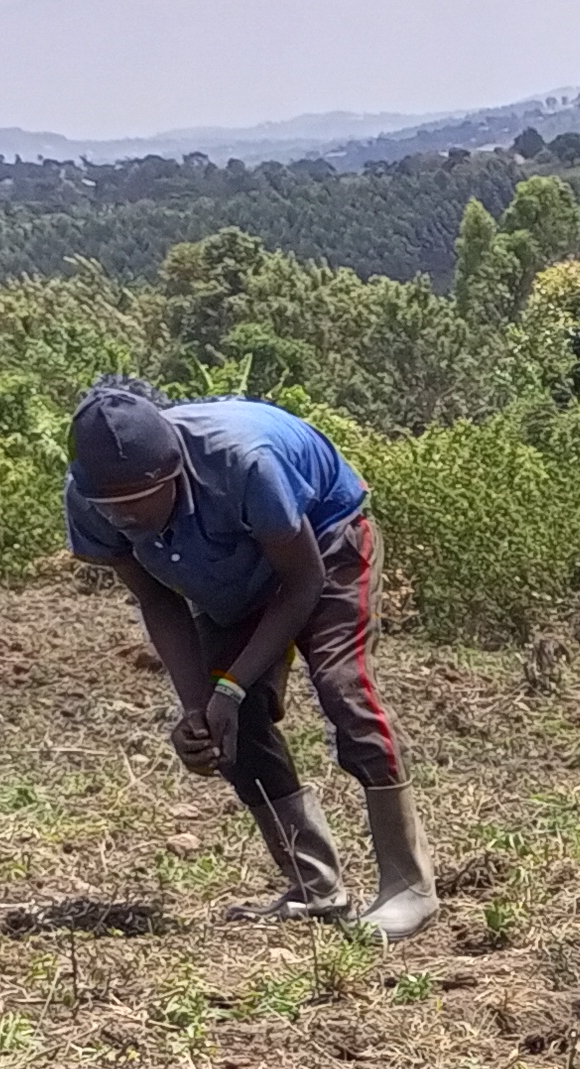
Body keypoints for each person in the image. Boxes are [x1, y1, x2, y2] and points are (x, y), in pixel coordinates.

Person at [64, 380, 434, 940]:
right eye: (110, 510)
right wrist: (201, 707)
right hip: (228, 577)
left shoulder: (242, 462)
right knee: (229, 729)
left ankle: (409, 885)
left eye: (137, 505)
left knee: (342, 686)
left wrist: (232, 686)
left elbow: (302, 580)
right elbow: (157, 598)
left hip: (324, 545)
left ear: (175, 475)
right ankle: (315, 886)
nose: (125, 520)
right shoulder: (88, 500)